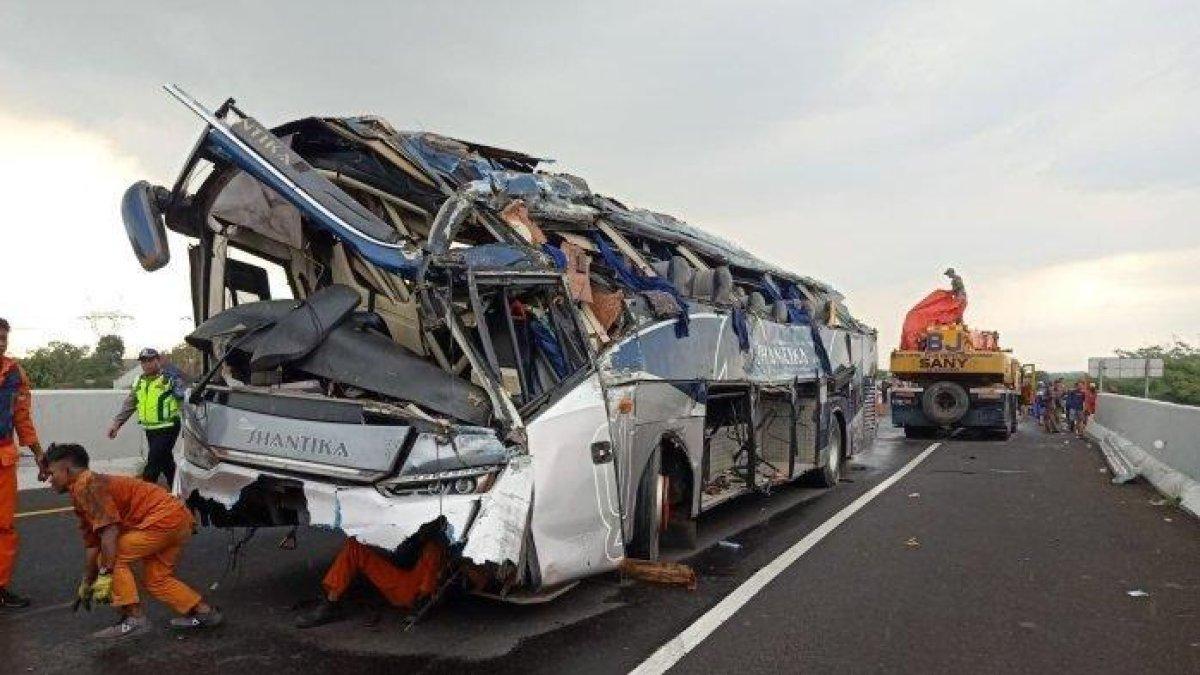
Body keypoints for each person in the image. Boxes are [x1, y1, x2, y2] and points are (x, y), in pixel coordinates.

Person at [44, 442, 222, 639]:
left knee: (113, 556)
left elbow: (109, 534)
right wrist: (87, 581)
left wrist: (105, 574)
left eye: (52, 473)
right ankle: (205, 613)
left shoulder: (86, 485)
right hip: (178, 519)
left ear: (67, 470)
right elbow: (93, 542)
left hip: (162, 520)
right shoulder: (83, 489)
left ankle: (134, 619)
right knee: (157, 579)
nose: (49, 480)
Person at [297, 530, 447, 629]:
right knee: (355, 545)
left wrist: (422, 601)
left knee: (354, 548)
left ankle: (331, 603)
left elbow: (427, 582)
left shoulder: (434, 543)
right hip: (408, 585)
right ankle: (332, 599)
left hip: (409, 591)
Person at [1, 317, 47, 610]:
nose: (1, 342)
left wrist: (40, 454)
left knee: (3, 528)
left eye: (4, 337)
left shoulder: (15, 373)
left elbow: (22, 419)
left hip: (3, 458)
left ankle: (0, 587)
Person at [107, 348, 185, 487]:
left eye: (150, 360)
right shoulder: (139, 381)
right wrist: (117, 424)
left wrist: (188, 426)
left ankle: (144, 500)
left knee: (152, 468)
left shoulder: (169, 378)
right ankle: (189, 498)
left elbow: (183, 401)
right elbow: (130, 404)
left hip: (168, 427)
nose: (147, 364)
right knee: (167, 464)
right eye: (143, 361)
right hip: (151, 429)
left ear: (158, 360)